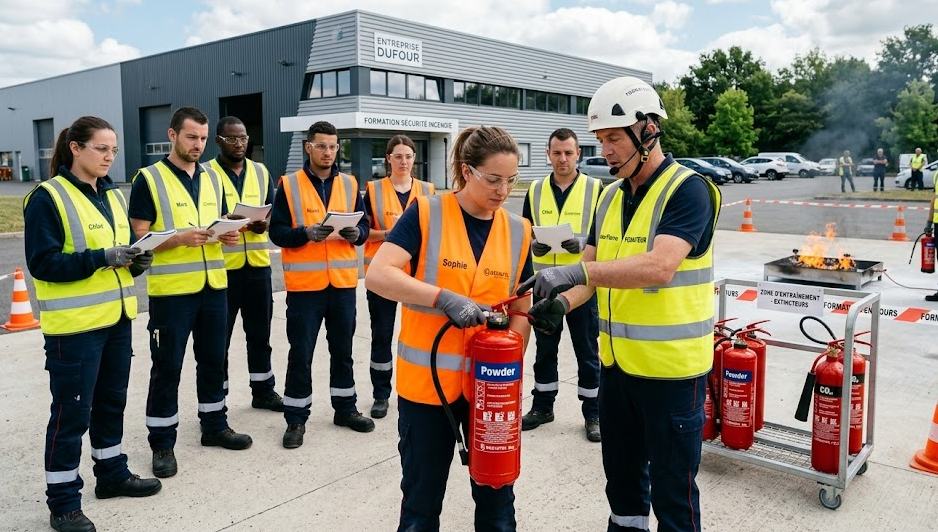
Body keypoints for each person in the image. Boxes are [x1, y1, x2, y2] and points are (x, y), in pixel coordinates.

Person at [518, 77, 721, 532]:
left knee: (673, 492)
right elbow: (590, 275)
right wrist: (561, 304)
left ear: (648, 131)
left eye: (613, 138)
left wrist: (576, 273)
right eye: (600, 140)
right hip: (618, 370)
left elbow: (659, 266)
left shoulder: (688, 190)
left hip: (671, 373)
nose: (605, 150)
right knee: (623, 485)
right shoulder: (609, 196)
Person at [365, 125, 533, 531]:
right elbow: (378, 274)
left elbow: (521, 308)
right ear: (465, 170)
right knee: (422, 502)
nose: (502, 190)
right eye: (493, 179)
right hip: (428, 389)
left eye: (510, 180)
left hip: (490, 391)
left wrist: (508, 366)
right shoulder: (426, 212)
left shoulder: (518, 230)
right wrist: (443, 298)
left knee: (497, 499)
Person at [25, 116, 161, 532]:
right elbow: (43, 264)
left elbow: (122, 259)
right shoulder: (48, 197)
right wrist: (102, 258)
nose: (109, 156)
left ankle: (112, 473)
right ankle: (63, 503)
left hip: (116, 321)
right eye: (101, 148)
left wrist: (138, 260)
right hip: (75, 329)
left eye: (114, 150)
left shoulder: (114, 195)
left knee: (110, 404)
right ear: (76, 148)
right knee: (71, 416)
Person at [128, 107, 252, 480]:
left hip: (214, 286)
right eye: (190, 137)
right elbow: (139, 240)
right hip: (172, 294)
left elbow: (222, 223)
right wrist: (179, 239)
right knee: (167, 368)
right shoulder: (148, 179)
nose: (197, 145)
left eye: (201, 138)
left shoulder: (213, 178)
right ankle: (162, 443)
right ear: (172, 135)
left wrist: (230, 233)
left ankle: (214, 425)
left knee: (214, 360)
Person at [269, 120, 375, 449]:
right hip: (305, 289)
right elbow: (277, 233)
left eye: (333, 146)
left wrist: (358, 234)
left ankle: (345, 409)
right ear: (308, 148)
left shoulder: (349, 183)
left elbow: (365, 227)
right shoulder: (288, 185)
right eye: (321, 146)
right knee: (301, 354)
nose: (328, 152)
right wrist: (305, 233)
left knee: (342, 352)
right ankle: (296, 419)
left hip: (342, 285)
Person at [520, 127, 602, 442]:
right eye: (557, 152)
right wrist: (534, 243)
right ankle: (543, 407)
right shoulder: (536, 189)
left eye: (568, 152)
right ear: (548, 154)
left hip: (582, 285)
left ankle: (593, 413)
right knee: (545, 350)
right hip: (545, 284)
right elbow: (527, 229)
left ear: (578, 153)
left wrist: (582, 241)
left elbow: (602, 236)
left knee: (586, 350)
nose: (563, 158)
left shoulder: (597, 189)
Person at [205, 116, 283, 412]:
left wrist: (263, 224)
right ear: (219, 141)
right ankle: (217, 398)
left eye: (243, 139)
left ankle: (263, 391)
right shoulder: (206, 173)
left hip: (258, 267)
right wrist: (226, 223)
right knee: (218, 340)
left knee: (260, 334)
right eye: (232, 139)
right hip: (223, 270)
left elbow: (269, 210)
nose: (239, 144)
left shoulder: (260, 171)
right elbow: (204, 219)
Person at [362, 134, 435, 419]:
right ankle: (381, 394)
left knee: (420, 336)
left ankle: (423, 387)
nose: (403, 161)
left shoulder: (428, 190)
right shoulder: (374, 190)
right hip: (384, 279)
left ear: (414, 159)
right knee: (382, 336)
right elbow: (363, 231)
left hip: (418, 277)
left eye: (408, 156)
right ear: (388, 159)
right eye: (398, 156)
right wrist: (388, 235)